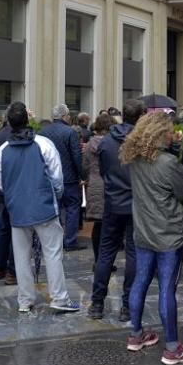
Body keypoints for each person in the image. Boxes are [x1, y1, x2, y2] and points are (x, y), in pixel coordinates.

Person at [121, 112, 183, 365]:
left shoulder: (133, 159)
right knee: (167, 287)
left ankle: (136, 334)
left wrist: (173, 150)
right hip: (167, 231)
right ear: (159, 134)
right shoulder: (167, 163)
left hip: (143, 229)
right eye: (168, 130)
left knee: (140, 280)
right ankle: (172, 347)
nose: (172, 133)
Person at [0, 102, 79, 313]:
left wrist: (14, 198)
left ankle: (25, 300)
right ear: (27, 119)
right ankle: (59, 297)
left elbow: (1, 183)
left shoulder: (3, 150)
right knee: (53, 253)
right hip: (44, 207)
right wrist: (54, 197)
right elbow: (57, 177)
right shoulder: (43, 144)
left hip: (17, 209)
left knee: (21, 256)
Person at [89, 99, 146, 321]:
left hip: (113, 201)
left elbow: (103, 171)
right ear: (140, 116)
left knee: (106, 253)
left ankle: (97, 304)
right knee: (132, 254)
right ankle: (127, 306)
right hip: (135, 202)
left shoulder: (107, 142)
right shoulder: (142, 142)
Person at [39, 104, 85, 251]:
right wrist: (82, 175)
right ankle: (70, 240)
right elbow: (76, 156)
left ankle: (55, 240)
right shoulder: (70, 132)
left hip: (50, 177)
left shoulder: (43, 132)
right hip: (69, 178)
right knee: (72, 208)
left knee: (55, 209)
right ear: (65, 116)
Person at [82, 113, 113, 266]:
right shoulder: (111, 144)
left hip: (94, 184)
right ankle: (107, 261)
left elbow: (85, 165)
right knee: (109, 225)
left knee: (98, 225)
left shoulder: (88, 145)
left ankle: (98, 259)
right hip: (108, 183)